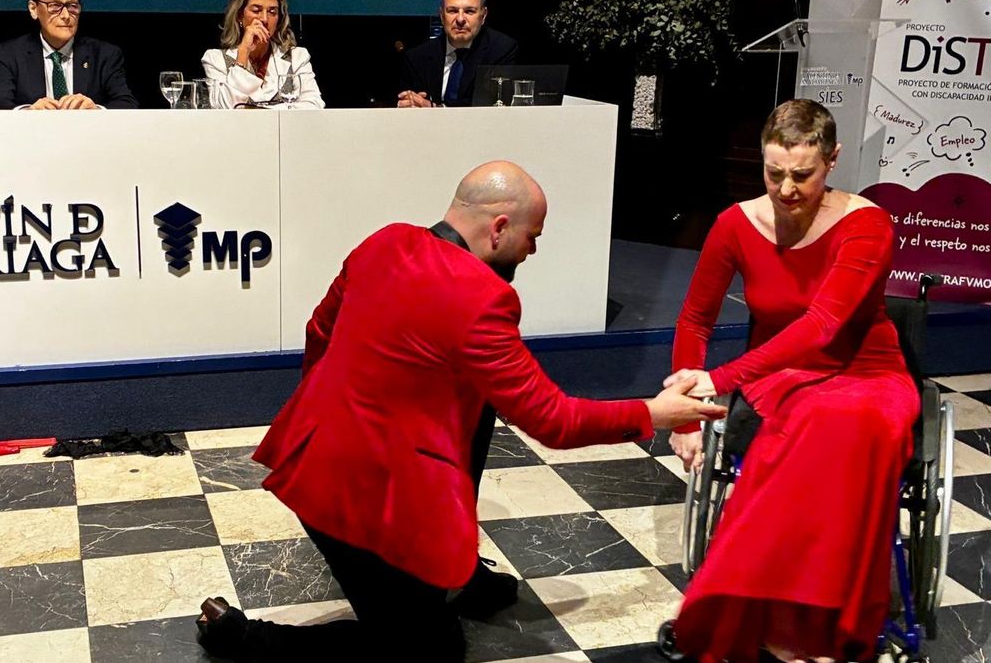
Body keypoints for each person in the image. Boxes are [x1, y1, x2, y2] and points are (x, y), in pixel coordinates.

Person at [195, 161, 725, 662]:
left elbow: (319, 331)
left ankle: (464, 575)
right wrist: (654, 413)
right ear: (498, 228)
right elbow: (552, 421)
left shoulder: (385, 240)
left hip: (317, 454)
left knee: (477, 398)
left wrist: (336, 406)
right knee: (427, 650)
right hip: (349, 492)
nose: (533, 250)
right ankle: (241, 636)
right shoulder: (482, 298)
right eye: (532, 236)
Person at [665, 99, 919, 663]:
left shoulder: (867, 223)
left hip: (866, 374)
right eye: (773, 172)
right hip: (779, 376)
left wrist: (719, 379)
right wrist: (684, 405)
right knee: (801, 424)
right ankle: (778, 613)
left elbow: (823, 325)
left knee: (841, 424)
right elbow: (695, 318)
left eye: (802, 174)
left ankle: (814, 620)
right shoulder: (736, 223)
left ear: (832, 161)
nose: (786, 188)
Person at [0, 0, 138, 110]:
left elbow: (127, 104)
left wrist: (96, 110)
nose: (65, 15)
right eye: (55, 6)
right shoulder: (10, 53)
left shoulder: (105, 54)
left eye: (72, 6)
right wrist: (28, 112)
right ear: (34, 9)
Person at [201, 0, 324, 110]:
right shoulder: (215, 59)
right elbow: (225, 109)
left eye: (272, 12)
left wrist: (264, 111)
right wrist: (243, 52)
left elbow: (314, 105)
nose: (264, 19)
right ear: (239, 16)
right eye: (256, 10)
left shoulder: (297, 57)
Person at [397, 0, 518, 108]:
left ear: (483, 15)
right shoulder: (417, 58)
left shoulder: (501, 50)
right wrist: (410, 103)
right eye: (452, 11)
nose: (460, 19)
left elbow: (491, 103)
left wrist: (435, 109)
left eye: (469, 11)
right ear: (442, 15)